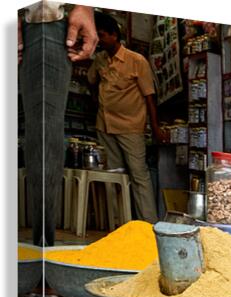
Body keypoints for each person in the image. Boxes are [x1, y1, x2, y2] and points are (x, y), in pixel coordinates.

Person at [19, 2, 97, 246]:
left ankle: (44, 247)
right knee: (37, 132)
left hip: (56, 21)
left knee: (47, 129)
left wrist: (86, 6)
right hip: (26, 20)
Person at [87, 12, 166, 224]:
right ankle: (117, 223)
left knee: (139, 176)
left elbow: (150, 97)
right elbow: (91, 81)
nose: (99, 40)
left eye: (102, 35)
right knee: (113, 175)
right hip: (105, 125)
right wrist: (97, 101)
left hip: (131, 127)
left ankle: (148, 225)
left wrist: (156, 128)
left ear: (114, 35)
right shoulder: (100, 60)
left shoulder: (136, 61)